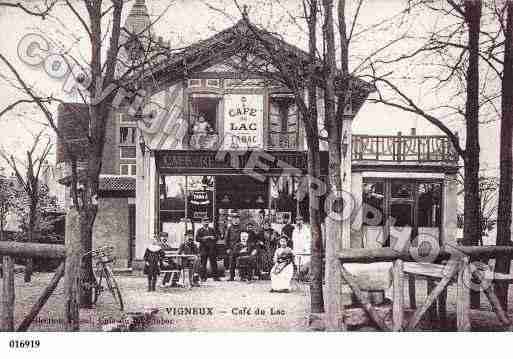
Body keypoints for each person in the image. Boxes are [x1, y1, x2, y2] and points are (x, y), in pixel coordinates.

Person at [196, 217, 220, 281]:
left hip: (212, 249)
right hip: (203, 249)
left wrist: (213, 238)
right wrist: (205, 237)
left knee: (214, 263)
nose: (206, 223)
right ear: (202, 222)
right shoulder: (199, 230)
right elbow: (197, 238)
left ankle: (215, 277)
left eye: (207, 221)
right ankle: (203, 277)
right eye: (205, 221)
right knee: (203, 263)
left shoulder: (212, 229)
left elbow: (217, 237)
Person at [291, 215, 311, 280]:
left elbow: (309, 240)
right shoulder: (295, 230)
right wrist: (295, 249)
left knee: (305, 262)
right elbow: (294, 240)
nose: (299, 222)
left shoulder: (306, 230)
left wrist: (306, 247)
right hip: (297, 248)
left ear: (302, 221)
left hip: (305, 249)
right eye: (297, 221)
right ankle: (299, 276)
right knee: (297, 263)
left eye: (300, 220)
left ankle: (304, 276)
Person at [225, 212, 242, 281]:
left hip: (240, 248)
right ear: (232, 220)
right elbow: (226, 239)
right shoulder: (229, 228)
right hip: (231, 248)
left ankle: (242, 276)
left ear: (239, 220)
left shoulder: (242, 228)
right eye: (234, 219)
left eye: (237, 219)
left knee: (241, 261)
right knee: (231, 263)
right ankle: (231, 276)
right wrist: (227, 248)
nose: (236, 220)